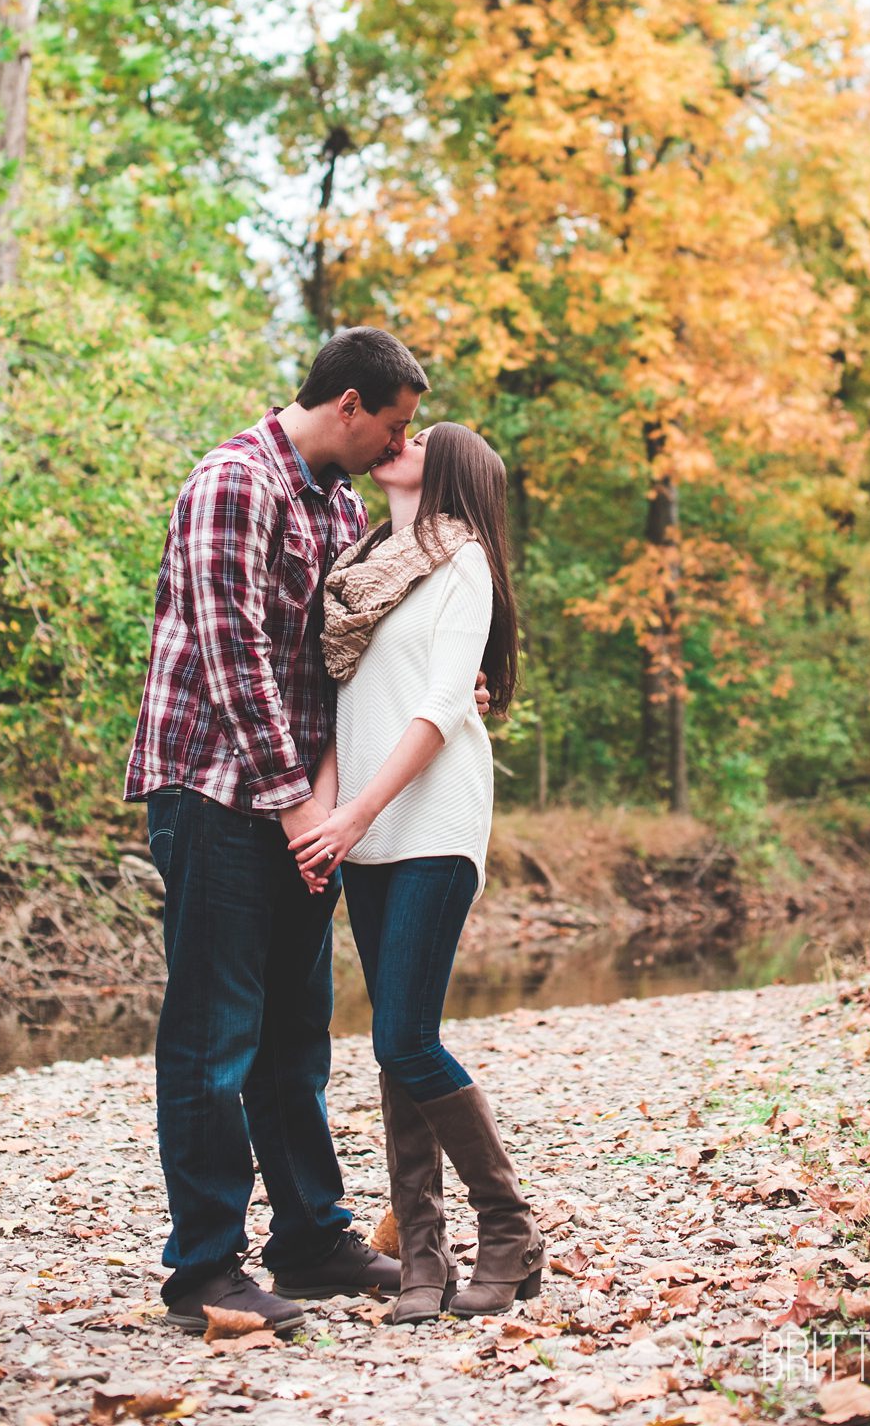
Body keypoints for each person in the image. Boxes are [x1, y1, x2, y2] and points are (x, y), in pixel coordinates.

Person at [125, 328, 440, 1334]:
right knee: (216, 1034)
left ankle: (308, 1239)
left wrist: (449, 677)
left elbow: (347, 645)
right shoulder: (233, 481)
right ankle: (204, 1272)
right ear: (348, 403)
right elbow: (233, 660)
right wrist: (299, 803)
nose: (400, 439)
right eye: (391, 421)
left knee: (298, 1032)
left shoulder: (336, 503)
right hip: (219, 794)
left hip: (299, 805)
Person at [289, 421, 545, 1326]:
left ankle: (508, 1231)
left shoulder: (461, 561)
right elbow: (337, 703)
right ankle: (425, 1260)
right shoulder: (360, 567)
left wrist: (355, 810)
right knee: (398, 1038)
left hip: (430, 820)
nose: (404, 438)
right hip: (362, 829)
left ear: (454, 472)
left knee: (403, 1037)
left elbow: (442, 702)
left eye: (424, 434)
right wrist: (328, 809)